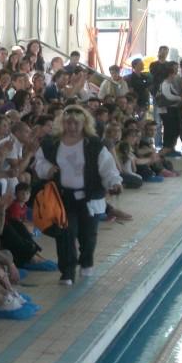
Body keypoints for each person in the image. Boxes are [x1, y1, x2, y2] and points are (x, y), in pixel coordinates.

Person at [35, 105, 122, 285]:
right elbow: (39, 162)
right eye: (68, 123)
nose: (72, 127)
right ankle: (67, 272)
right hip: (63, 198)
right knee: (65, 234)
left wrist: (114, 182)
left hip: (89, 199)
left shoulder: (94, 144)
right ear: (62, 123)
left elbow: (107, 168)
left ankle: (86, 262)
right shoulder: (52, 143)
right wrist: (48, 169)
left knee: (88, 236)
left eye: (76, 123)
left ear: (84, 124)